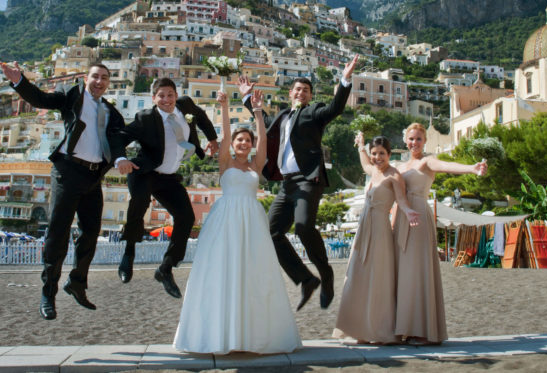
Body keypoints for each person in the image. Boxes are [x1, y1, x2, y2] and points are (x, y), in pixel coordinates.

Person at [174, 89, 301, 354]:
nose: (243, 143)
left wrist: (256, 110)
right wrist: (223, 106)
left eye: (247, 140)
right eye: (239, 140)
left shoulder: (256, 166)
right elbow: (224, 134)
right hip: (225, 221)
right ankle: (222, 334)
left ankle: (250, 335)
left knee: (254, 272)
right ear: (233, 144)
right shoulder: (225, 162)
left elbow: (264, 140)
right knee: (223, 270)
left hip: (252, 221)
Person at [0, 61, 125, 320]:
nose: (99, 81)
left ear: (108, 83)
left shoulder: (112, 113)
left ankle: (76, 283)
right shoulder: (72, 97)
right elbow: (41, 99)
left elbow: (120, 142)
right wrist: (19, 82)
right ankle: (48, 293)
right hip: (67, 170)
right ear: (86, 78)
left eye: (104, 78)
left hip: (93, 176)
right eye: (95, 76)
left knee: (91, 232)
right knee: (58, 231)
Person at [238, 55, 358, 311]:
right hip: (286, 184)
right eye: (298, 89)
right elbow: (264, 122)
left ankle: (326, 275)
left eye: (306, 90)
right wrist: (248, 99)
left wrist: (344, 80)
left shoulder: (315, 113)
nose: (301, 92)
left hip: (308, 179)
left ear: (309, 95)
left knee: (304, 227)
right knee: (272, 233)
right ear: (290, 93)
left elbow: (335, 108)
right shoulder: (281, 116)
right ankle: (306, 279)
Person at [113, 77, 218, 298]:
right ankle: (128, 253)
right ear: (154, 98)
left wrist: (213, 138)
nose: (167, 99)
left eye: (170, 94)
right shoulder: (145, 118)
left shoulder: (186, 106)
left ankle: (166, 268)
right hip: (144, 172)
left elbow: (201, 117)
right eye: (161, 95)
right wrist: (121, 158)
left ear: (176, 95)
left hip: (168, 177)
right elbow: (120, 137)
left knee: (186, 218)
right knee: (139, 204)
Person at [393, 123, 487, 345]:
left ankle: (424, 330)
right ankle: (404, 327)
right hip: (399, 218)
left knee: (418, 271)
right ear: (404, 140)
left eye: (418, 139)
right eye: (411, 138)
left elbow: (447, 165)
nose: (414, 143)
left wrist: (471, 168)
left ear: (424, 141)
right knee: (402, 273)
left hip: (418, 217)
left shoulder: (428, 161)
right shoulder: (399, 165)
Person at [333, 133, 418, 344]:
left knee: (378, 278)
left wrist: (409, 212)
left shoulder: (394, 176)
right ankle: (361, 330)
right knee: (357, 277)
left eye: (381, 153)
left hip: (380, 231)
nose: (377, 157)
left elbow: (402, 200)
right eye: (374, 153)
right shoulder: (372, 171)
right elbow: (364, 164)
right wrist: (361, 146)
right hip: (363, 229)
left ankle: (379, 329)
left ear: (389, 154)